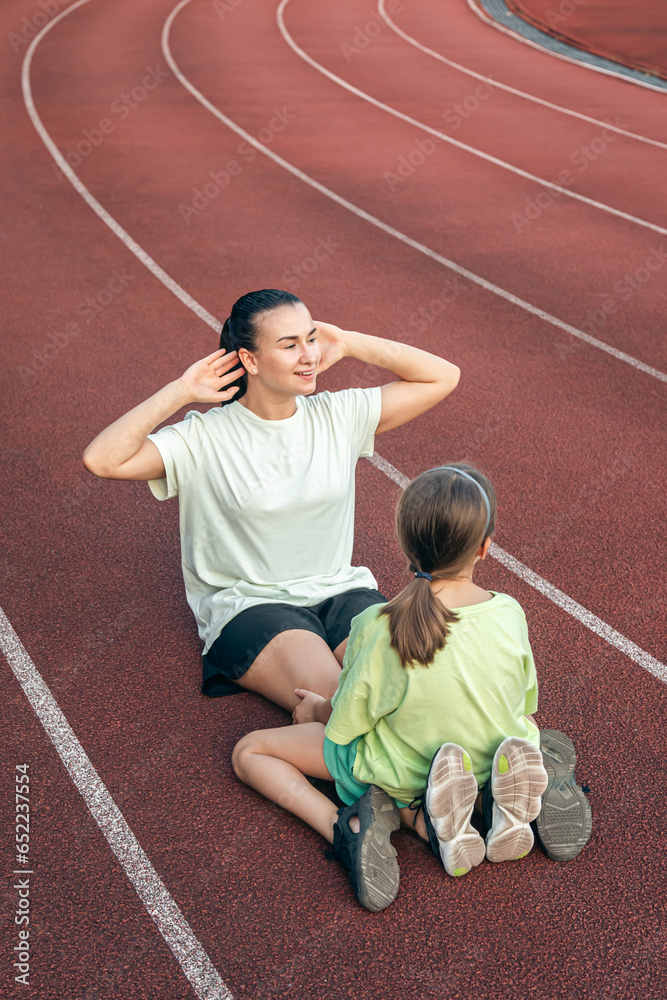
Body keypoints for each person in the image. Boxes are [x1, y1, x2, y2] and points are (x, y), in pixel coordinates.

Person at [232, 464, 592, 912]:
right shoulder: (510, 612)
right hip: (491, 753)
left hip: (405, 772)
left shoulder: (377, 626)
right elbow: (524, 701)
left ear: (405, 542)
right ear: (485, 547)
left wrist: (316, 710)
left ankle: (349, 828)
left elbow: (346, 725)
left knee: (250, 752)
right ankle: (494, 798)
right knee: (526, 724)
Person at [82, 289, 460, 709]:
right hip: (252, 606)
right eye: (289, 344)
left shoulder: (338, 415)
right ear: (250, 360)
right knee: (349, 703)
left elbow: (442, 376)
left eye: (311, 338)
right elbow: (102, 460)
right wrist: (181, 391)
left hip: (342, 592)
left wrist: (350, 343)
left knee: (416, 690)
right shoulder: (203, 437)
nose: (309, 355)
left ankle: (475, 769)